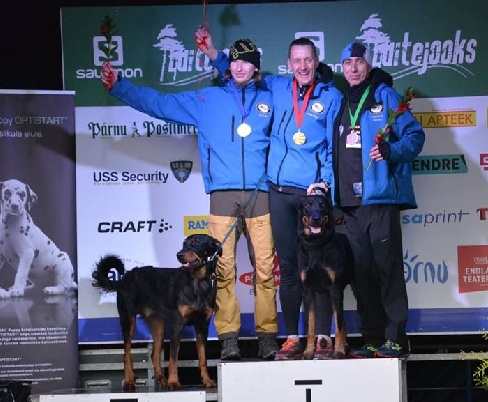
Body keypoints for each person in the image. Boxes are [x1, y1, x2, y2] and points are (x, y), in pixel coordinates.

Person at [101, 38, 280, 361]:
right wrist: (120, 87)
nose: (239, 67)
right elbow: (161, 104)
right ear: (229, 66)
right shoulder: (207, 99)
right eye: (234, 61)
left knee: (265, 269)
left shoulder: (272, 96)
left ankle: (267, 337)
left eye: (246, 61)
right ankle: (228, 338)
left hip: (261, 193)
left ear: (256, 66)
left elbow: (304, 92)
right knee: (222, 269)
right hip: (223, 194)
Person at [195, 28, 343, 360]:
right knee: (287, 268)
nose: (302, 66)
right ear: (288, 64)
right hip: (276, 191)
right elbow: (240, 70)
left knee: (316, 269)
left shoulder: (331, 97)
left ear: (316, 62)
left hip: (311, 194)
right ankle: (291, 337)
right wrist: (214, 55)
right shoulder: (274, 87)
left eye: (308, 60)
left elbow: (334, 148)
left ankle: (321, 337)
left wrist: (326, 184)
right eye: (297, 61)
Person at [334, 42, 425, 359]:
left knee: (387, 270)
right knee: (363, 274)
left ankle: (396, 339)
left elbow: (415, 136)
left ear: (368, 66)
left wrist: (391, 151)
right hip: (350, 204)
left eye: (359, 62)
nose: (354, 68)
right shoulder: (341, 100)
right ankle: (372, 337)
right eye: (348, 63)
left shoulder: (385, 94)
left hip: (380, 199)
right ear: (342, 68)